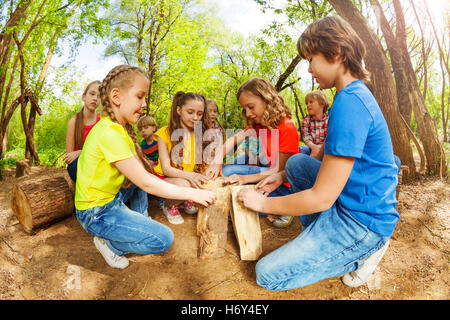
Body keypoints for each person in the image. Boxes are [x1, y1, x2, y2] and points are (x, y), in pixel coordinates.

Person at [236, 16, 400, 290]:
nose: (309, 69)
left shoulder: (350, 104)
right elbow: (325, 154)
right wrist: (280, 175)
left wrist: (261, 204)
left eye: (311, 59)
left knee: (267, 274)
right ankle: (321, 240)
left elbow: (322, 197)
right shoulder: (347, 97)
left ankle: (364, 251)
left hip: (363, 222)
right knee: (297, 163)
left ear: (335, 53)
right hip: (347, 200)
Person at [74, 65, 216, 269]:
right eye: (140, 97)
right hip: (95, 212)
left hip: (111, 199)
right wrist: (190, 194)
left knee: (137, 180)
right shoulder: (109, 133)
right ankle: (111, 245)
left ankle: (140, 218)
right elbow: (147, 183)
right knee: (163, 239)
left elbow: (142, 176)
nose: (144, 104)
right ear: (116, 97)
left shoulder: (118, 129)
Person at [206, 77, 299, 229]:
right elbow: (231, 141)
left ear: (267, 100)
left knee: (240, 201)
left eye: (251, 107)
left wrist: (244, 178)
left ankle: (285, 205)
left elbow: (278, 173)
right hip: (265, 172)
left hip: (281, 184)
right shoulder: (258, 125)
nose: (248, 113)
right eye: (245, 109)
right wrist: (217, 161)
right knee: (227, 171)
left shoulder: (286, 127)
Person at [153, 91, 213, 224]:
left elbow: (202, 165)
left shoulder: (199, 134)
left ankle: (186, 198)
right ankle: (168, 205)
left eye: (199, 113)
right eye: (190, 112)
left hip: (185, 176)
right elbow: (166, 169)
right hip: (164, 178)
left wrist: (206, 175)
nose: (195, 117)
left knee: (204, 182)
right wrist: (191, 177)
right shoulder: (165, 133)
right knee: (185, 184)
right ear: (179, 110)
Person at [64, 80, 101, 182]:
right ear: (84, 97)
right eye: (92, 94)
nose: (95, 98)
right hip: (79, 167)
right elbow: (70, 157)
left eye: (99, 96)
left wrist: (81, 152)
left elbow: (103, 151)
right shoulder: (73, 122)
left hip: (99, 165)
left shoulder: (102, 121)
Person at [299, 90, 330, 158]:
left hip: (325, 149)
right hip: (311, 148)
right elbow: (306, 137)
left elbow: (329, 139)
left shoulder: (328, 120)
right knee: (302, 148)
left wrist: (320, 151)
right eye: (307, 103)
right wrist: (314, 148)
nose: (308, 105)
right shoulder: (307, 120)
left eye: (311, 102)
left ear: (322, 104)